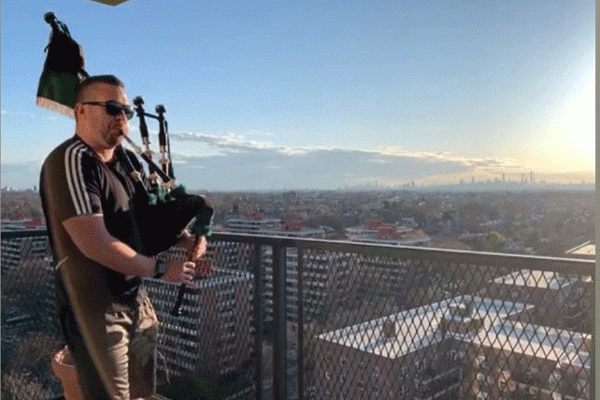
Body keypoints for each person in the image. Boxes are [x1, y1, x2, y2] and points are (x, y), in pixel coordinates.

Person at [40, 75, 208, 400]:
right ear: (81, 111)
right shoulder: (70, 161)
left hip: (134, 298)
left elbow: (149, 218)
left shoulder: (127, 161)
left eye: (126, 112)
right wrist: (161, 269)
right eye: (112, 108)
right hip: (94, 306)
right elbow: (95, 243)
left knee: (141, 394)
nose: (122, 118)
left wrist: (185, 239)